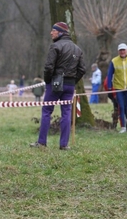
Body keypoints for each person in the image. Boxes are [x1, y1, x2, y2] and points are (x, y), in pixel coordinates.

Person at [30, 22, 86, 150]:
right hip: (70, 86)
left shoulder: (55, 46)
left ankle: (42, 143)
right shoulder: (77, 49)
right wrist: (72, 81)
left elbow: (49, 67)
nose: (51, 33)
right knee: (66, 113)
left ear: (60, 32)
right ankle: (64, 145)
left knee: (46, 112)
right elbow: (82, 69)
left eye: (53, 31)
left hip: (55, 84)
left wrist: (48, 81)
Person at [107, 43, 127, 133]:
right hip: (118, 88)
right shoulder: (114, 61)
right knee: (121, 106)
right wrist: (109, 88)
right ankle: (123, 127)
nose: (122, 52)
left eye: (123, 50)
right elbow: (109, 75)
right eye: (120, 50)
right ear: (118, 51)